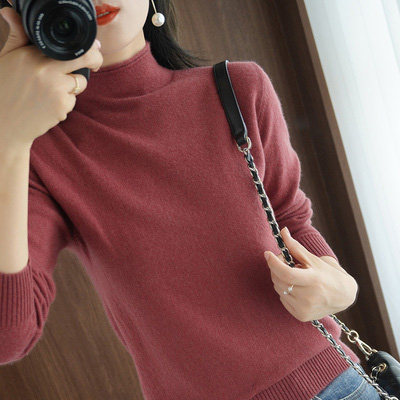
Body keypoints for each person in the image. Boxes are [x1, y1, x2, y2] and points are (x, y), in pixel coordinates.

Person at [0, 0, 377, 399]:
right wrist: (8, 139)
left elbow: (288, 218)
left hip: (335, 385)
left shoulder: (237, 88)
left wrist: (341, 286)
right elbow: (10, 338)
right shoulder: (37, 152)